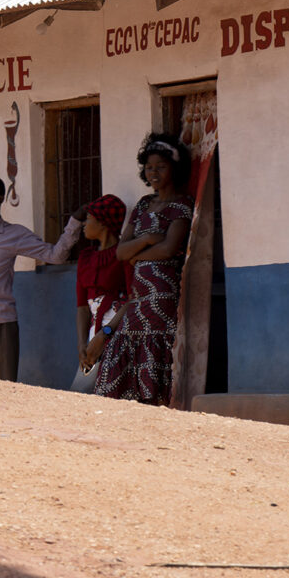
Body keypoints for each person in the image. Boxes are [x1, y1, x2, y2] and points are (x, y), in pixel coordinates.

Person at [0, 175, 84, 381]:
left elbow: (55, 256)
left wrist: (74, 223)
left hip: (0, 321)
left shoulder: (14, 235)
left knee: (3, 386)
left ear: (0, 198)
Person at [90, 133, 193, 405]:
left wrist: (137, 255)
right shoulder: (144, 205)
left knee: (155, 346)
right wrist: (147, 240)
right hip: (138, 298)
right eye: (149, 167)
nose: (154, 172)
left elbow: (170, 248)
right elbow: (121, 252)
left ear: (175, 168)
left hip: (162, 296)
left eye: (161, 166)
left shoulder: (182, 205)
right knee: (125, 344)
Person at [69, 194, 129, 393]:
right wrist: (81, 344)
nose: (84, 224)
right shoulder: (86, 257)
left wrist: (106, 334)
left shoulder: (123, 254)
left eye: (89, 219)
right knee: (81, 390)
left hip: (118, 332)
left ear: (103, 223)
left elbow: (133, 299)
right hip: (93, 336)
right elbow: (82, 307)